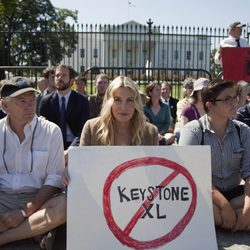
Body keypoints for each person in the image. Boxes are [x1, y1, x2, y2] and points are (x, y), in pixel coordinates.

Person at [0, 77, 66, 246]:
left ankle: (5, 236)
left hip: (38, 200)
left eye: (32, 100)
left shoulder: (51, 131)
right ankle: (32, 231)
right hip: (3, 199)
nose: (29, 106)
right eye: (22, 101)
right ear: (5, 106)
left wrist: (23, 212)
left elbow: (54, 179)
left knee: (64, 206)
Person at [179, 79, 250, 231]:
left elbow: (249, 173)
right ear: (210, 105)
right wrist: (224, 205)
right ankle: (233, 220)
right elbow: (192, 175)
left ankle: (222, 219)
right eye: (227, 99)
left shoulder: (243, 130)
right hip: (204, 195)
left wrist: (248, 207)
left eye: (235, 97)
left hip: (234, 194)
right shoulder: (193, 131)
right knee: (190, 201)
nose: (235, 102)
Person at [62, 76, 158, 185]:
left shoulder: (151, 132)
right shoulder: (91, 128)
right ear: (109, 102)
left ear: (136, 103)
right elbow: (82, 165)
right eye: (117, 99)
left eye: (130, 100)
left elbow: (154, 174)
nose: (123, 107)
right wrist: (70, 170)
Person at [38, 64, 90, 150]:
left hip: (75, 146)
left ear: (71, 80)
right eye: (57, 75)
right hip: (52, 145)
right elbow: (42, 128)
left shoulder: (82, 101)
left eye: (64, 75)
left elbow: (83, 130)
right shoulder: (45, 101)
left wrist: (71, 150)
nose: (59, 78)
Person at [174, 77, 194, 142]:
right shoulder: (181, 103)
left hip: (198, 127)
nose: (193, 90)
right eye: (190, 87)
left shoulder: (200, 102)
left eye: (194, 87)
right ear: (185, 90)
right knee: (178, 131)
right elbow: (181, 118)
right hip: (186, 127)